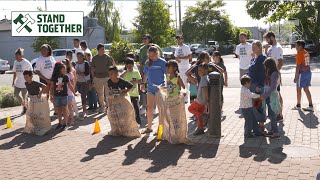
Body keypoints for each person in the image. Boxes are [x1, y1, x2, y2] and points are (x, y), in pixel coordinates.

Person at [141, 46, 167, 134]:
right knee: (149, 107)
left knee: (160, 108)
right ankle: (149, 127)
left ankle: (160, 128)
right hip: (150, 88)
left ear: (157, 53)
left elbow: (167, 75)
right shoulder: (148, 62)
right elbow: (146, 75)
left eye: (153, 55)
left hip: (160, 88)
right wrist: (143, 84)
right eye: (150, 55)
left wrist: (168, 86)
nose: (151, 57)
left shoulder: (163, 62)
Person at [139, 34, 163, 115]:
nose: (144, 40)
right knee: (145, 90)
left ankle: (154, 107)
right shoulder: (142, 49)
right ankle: (144, 106)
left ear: (149, 39)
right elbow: (141, 62)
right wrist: (142, 73)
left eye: (145, 38)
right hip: (146, 70)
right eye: (143, 39)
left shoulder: (156, 47)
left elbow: (162, 59)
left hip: (157, 76)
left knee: (156, 91)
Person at [264, 31, 284, 121]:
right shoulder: (271, 47)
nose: (267, 41)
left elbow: (280, 62)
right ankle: (274, 112)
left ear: (272, 37)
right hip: (269, 74)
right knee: (274, 94)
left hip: (274, 75)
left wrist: (276, 73)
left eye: (267, 39)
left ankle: (280, 114)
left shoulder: (278, 48)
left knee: (277, 93)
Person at [50, 62, 75, 130]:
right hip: (57, 96)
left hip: (64, 95)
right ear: (59, 69)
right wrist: (51, 95)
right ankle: (59, 123)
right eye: (63, 68)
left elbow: (69, 85)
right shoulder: (54, 77)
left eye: (65, 68)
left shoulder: (65, 77)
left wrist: (74, 92)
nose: (65, 70)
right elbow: (52, 87)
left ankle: (65, 124)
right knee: (59, 110)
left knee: (64, 109)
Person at [260, 58, 281, 139]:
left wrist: (264, 95)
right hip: (269, 96)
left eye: (266, 66)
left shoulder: (274, 73)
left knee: (272, 115)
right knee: (271, 115)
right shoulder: (271, 73)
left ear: (269, 66)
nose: (265, 68)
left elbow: (273, 87)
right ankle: (272, 130)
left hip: (272, 96)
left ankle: (276, 133)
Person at [249, 40, 267, 132]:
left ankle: (261, 124)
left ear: (260, 47)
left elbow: (263, 73)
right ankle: (256, 124)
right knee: (254, 105)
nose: (252, 48)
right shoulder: (254, 58)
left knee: (259, 105)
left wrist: (259, 85)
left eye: (254, 47)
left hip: (258, 85)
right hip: (251, 84)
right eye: (252, 47)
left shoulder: (262, 58)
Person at [91, 43, 115, 113]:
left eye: (103, 49)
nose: (103, 50)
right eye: (101, 49)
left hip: (106, 77)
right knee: (100, 94)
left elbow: (112, 67)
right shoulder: (94, 58)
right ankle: (102, 107)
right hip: (98, 77)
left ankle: (108, 107)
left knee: (107, 93)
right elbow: (92, 68)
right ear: (98, 50)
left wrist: (112, 76)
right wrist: (93, 77)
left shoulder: (108, 57)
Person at [188, 64, 209, 135]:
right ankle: (200, 127)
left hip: (200, 101)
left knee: (190, 109)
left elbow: (205, 89)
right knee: (198, 113)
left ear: (206, 70)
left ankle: (202, 116)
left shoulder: (203, 79)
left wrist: (207, 100)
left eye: (200, 70)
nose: (199, 72)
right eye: (198, 70)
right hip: (201, 101)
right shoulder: (205, 77)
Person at [239, 75, 262, 140]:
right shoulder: (244, 90)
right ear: (246, 83)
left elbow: (251, 94)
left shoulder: (245, 88)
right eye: (249, 83)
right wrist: (259, 96)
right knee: (248, 122)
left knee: (254, 120)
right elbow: (251, 95)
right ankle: (247, 134)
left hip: (249, 107)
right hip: (246, 109)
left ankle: (256, 132)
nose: (250, 84)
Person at [293, 40, 313, 111]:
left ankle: (298, 105)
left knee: (298, 89)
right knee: (306, 89)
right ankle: (310, 105)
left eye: (296, 45)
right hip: (308, 72)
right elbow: (306, 64)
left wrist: (296, 77)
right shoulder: (306, 53)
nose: (295, 47)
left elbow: (298, 66)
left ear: (300, 46)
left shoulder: (299, 54)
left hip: (302, 74)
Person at [121, 58, 142, 125]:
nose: (130, 67)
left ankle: (138, 121)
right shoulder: (125, 73)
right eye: (128, 65)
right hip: (127, 94)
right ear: (126, 66)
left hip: (135, 94)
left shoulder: (136, 72)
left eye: (131, 65)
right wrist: (125, 72)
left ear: (133, 65)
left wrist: (135, 81)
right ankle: (127, 122)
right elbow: (119, 78)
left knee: (136, 108)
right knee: (127, 108)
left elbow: (140, 81)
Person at [12, 48, 32, 114]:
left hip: (24, 83)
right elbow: (14, 72)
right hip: (17, 83)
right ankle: (24, 105)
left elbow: (31, 71)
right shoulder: (15, 62)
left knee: (24, 96)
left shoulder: (26, 62)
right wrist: (13, 81)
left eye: (17, 56)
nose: (16, 57)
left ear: (21, 56)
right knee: (16, 94)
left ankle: (25, 108)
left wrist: (29, 80)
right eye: (15, 56)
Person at [174, 35, 192, 103]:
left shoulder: (186, 47)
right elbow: (176, 57)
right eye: (177, 39)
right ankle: (182, 96)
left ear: (182, 39)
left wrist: (181, 58)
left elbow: (190, 56)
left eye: (180, 39)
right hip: (179, 68)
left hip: (186, 67)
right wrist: (177, 60)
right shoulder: (177, 48)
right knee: (180, 82)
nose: (178, 40)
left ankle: (186, 98)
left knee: (185, 82)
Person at [75, 52, 91, 118]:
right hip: (78, 82)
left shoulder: (86, 63)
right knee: (81, 93)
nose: (79, 58)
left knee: (83, 96)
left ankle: (84, 111)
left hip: (85, 82)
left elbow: (87, 73)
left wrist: (79, 73)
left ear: (83, 57)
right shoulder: (76, 63)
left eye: (80, 57)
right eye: (78, 57)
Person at [62, 59, 76, 126]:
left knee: (69, 106)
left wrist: (74, 91)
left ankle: (72, 120)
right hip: (62, 94)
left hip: (69, 93)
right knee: (65, 107)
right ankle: (66, 120)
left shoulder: (69, 74)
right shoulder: (60, 75)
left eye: (64, 64)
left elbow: (72, 83)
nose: (63, 65)